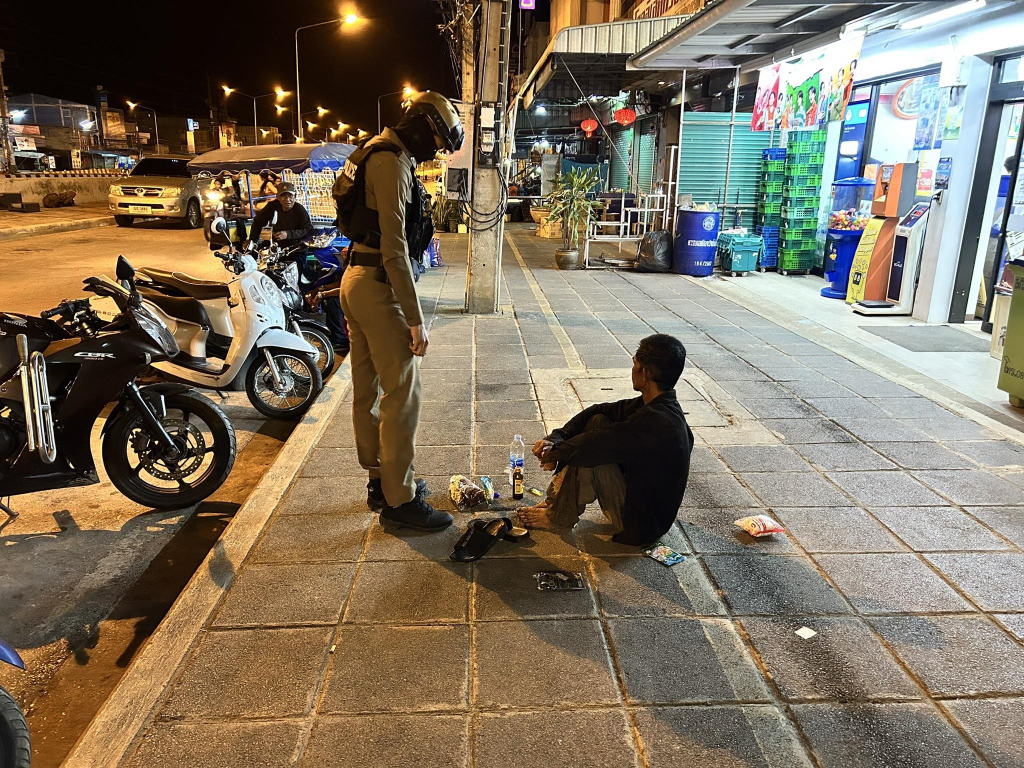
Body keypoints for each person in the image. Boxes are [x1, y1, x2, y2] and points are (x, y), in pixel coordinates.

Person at [339, 91, 464, 530]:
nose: (437, 152)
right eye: (439, 142)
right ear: (425, 127)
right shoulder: (391, 162)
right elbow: (394, 248)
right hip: (378, 286)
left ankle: (381, 480)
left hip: (357, 279)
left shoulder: (371, 150)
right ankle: (400, 500)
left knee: (368, 389)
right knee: (402, 396)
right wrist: (415, 320)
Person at [519, 334, 694, 546]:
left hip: (641, 525)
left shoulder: (656, 423)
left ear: (645, 373)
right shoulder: (656, 406)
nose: (632, 369)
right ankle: (555, 503)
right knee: (597, 421)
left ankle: (558, 517)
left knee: (589, 453)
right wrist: (556, 439)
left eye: (635, 364)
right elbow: (598, 410)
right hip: (638, 500)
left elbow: (595, 443)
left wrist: (554, 453)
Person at [249, 182, 314, 247]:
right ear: (278, 197)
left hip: (295, 245)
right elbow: (257, 222)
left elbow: (308, 229)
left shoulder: (299, 209)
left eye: (290, 196)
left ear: (295, 197)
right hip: (275, 244)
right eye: (283, 196)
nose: (287, 199)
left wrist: (288, 234)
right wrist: (253, 241)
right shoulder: (272, 206)